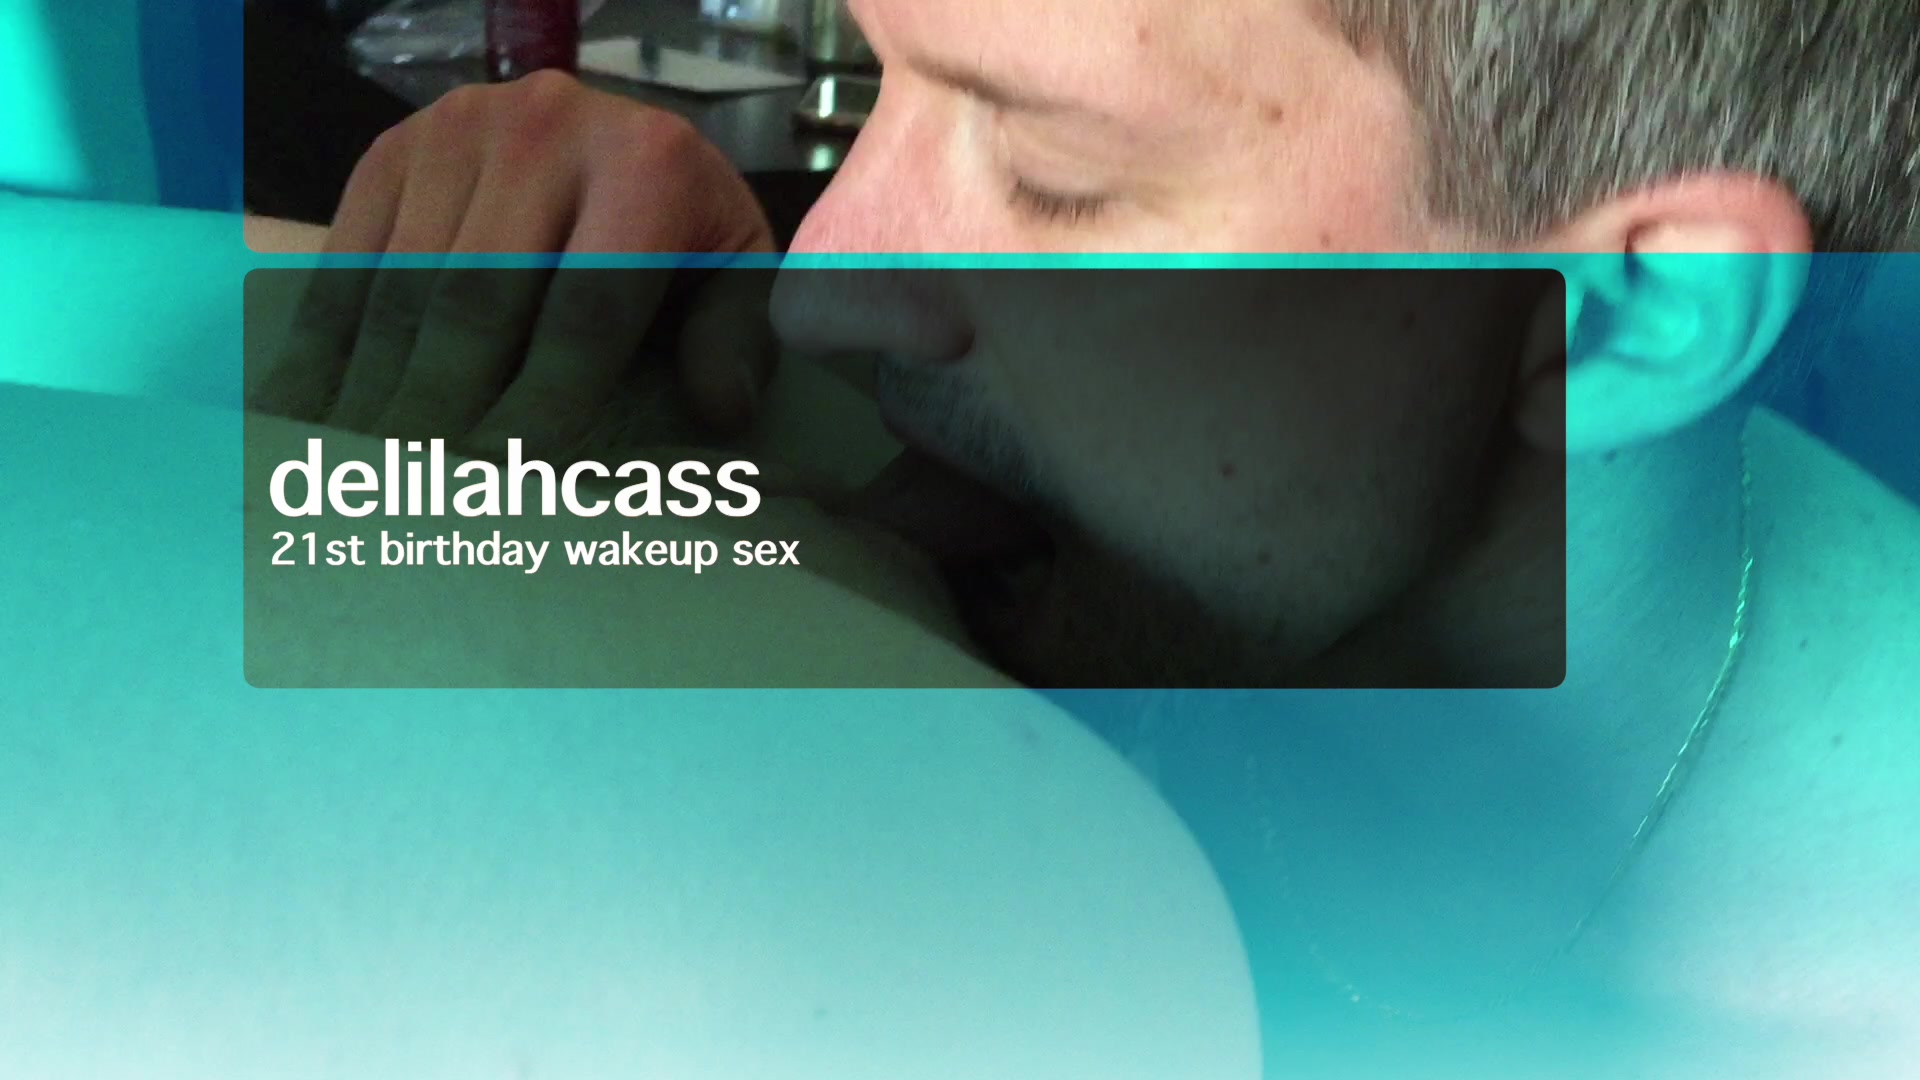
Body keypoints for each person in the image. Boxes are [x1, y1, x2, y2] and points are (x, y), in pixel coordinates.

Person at [70, 0, 1920, 1073]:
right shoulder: (1102, 522)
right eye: (887, 83)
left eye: (1056, 174)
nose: (820, 288)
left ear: (1629, 312)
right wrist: (580, 254)